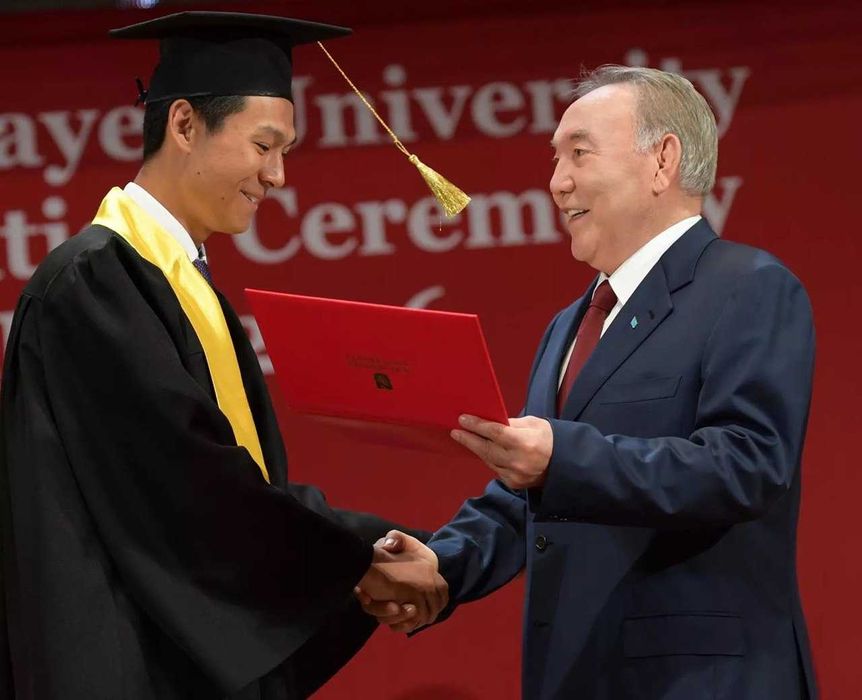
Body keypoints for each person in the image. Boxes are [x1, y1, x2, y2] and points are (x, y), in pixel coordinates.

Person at [0, 12, 447, 700]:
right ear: (184, 125)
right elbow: (191, 479)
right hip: (122, 660)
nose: (278, 176)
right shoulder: (95, 282)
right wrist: (358, 558)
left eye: (285, 151)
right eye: (264, 145)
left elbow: (233, 483)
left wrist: (364, 551)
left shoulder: (175, 278)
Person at [361, 65, 817, 699]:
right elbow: (532, 492)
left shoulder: (748, 287)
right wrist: (442, 563)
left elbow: (747, 464)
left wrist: (560, 457)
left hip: (699, 681)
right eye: (555, 158)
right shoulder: (569, 324)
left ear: (662, 161)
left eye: (579, 153)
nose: (557, 182)